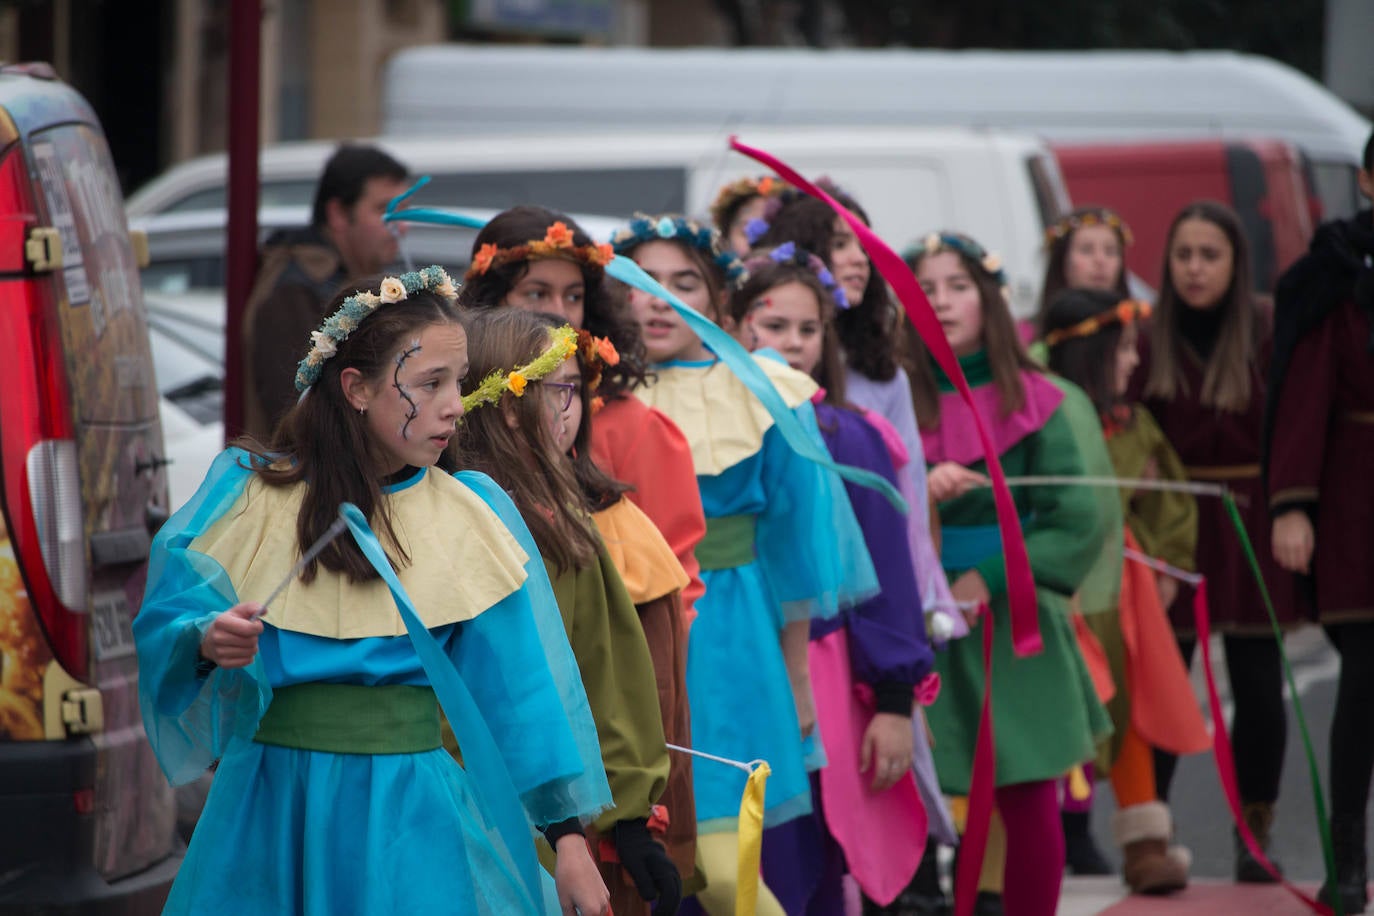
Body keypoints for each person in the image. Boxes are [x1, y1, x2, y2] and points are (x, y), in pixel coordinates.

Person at [134, 268, 613, 915]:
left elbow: (522, 693)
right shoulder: (254, 495)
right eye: (430, 383)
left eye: (459, 383)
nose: (453, 405)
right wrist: (204, 640)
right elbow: (168, 622)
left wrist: (570, 844)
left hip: (408, 811)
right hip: (272, 802)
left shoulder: (466, 513)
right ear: (356, 388)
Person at [612, 213, 877, 916]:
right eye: (641, 281)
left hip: (729, 633)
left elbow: (795, 545)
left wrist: (797, 674)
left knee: (728, 860)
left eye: (683, 282)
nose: (658, 298)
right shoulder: (588, 394)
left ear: (717, 299)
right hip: (621, 635)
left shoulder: (765, 391)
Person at [759, 186, 958, 916]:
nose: (788, 342)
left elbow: (886, 561)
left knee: (821, 844)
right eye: (769, 324)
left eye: (806, 328)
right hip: (730, 665)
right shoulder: (694, 433)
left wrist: (897, 698)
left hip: (829, 661)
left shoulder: (853, 435)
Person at [906, 231, 1111, 916]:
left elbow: (1078, 518)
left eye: (958, 286)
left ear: (989, 298)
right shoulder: (890, 400)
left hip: (1011, 621)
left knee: (1024, 794)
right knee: (918, 792)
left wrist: (985, 579)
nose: (942, 301)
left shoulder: (1042, 399)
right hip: (917, 613)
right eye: (926, 290)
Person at [453, 309, 682, 916]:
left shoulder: (565, 514)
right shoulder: (460, 517)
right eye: (561, 390)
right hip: (471, 803)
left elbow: (605, 670)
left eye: (579, 390)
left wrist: (631, 814)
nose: (573, 408)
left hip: (562, 818)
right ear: (507, 404)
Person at [1127, 199, 1302, 882]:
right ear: (1168, 265)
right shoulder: (1146, 337)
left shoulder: (1265, 328)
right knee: (1165, 681)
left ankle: (1254, 835)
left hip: (1250, 518)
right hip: (1172, 523)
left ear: (1236, 262)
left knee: (1259, 685)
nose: (1195, 269)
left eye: (1210, 255)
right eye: (1184, 255)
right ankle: (1153, 835)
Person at [458, 206, 708, 626]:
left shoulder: (632, 425)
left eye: (573, 296)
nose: (560, 312)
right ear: (490, 301)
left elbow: (673, 584)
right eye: (537, 293)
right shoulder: (450, 411)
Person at [1044, 287, 1211, 895]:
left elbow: (1172, 501)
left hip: (1121, 587)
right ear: (1093, 354)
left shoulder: (1134, 425)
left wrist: (1167, 564)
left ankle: (1145, 844)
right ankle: (1018, 849)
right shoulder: (1042, 415)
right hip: (1057, 590)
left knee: (1131, 709)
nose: (1134, 361)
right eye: (1124, 350)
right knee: (1049, 717)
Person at [1264, 131, 1374, 915]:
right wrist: (1293, 502)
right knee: (1365, 684)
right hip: (1356, 504)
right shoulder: (1332, 274)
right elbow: (1304, 394)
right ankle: (1346, 863)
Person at [1033, 207, 1137, 879]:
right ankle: (1061, 829)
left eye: (1110, 249)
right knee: (1067, 703)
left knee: (1109, 701)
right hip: (1061, 582)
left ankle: (1083, 826)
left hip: (1106, 577)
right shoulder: (1049, 389)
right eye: (1085, 249)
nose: (1100, 259)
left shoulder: (1115, 408)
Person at [241, 143, 409, 440]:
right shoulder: (296, 292)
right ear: (338, 215)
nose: (401, 225)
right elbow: (293, 410)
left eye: (403, 210)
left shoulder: (345, 279)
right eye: (384, 209)